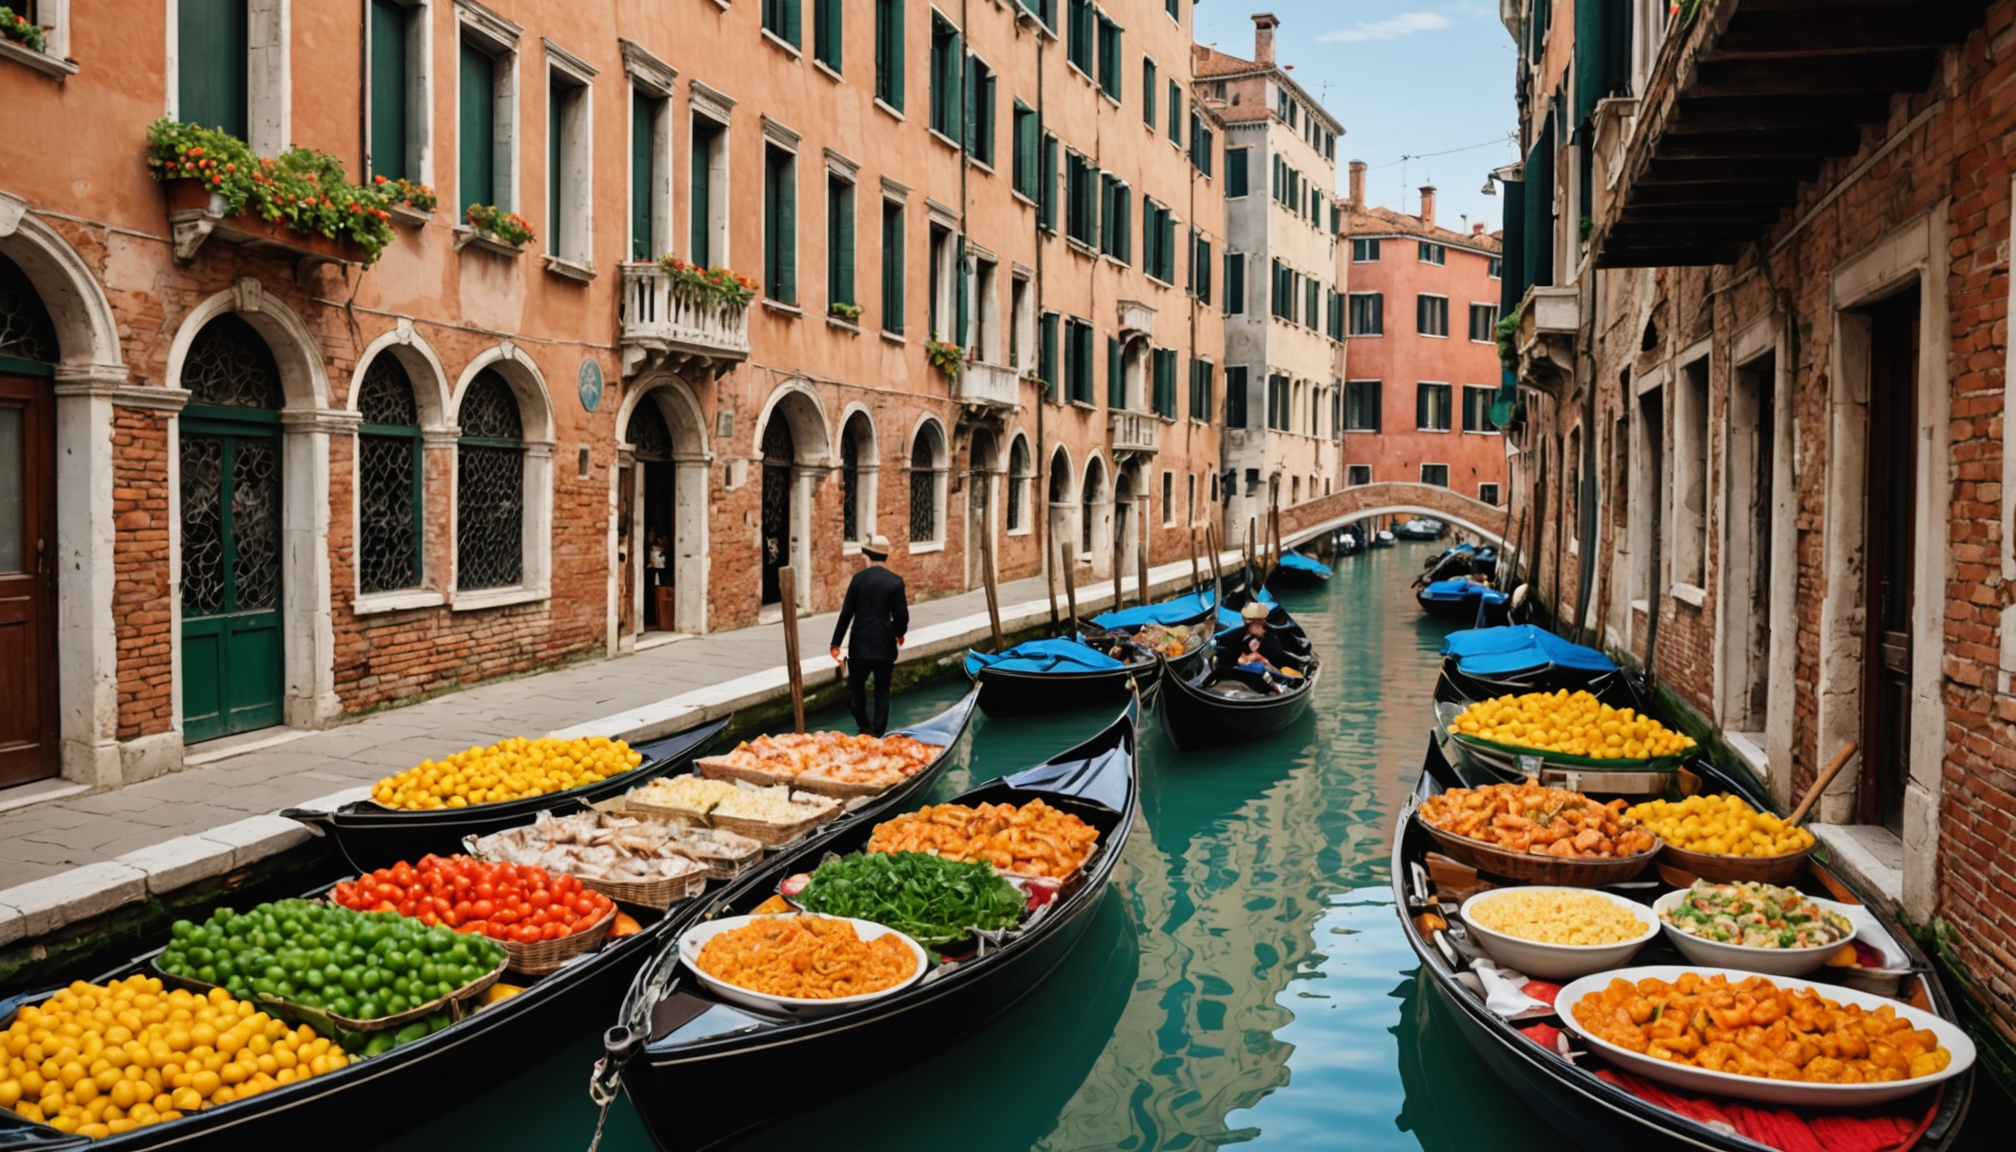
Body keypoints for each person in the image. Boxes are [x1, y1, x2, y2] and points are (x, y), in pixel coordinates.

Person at [830, 534, 909, 736]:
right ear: (885, 557)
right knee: (882, 690)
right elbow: (901, 615)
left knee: (855, 687)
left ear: (868, 556)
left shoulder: (858, 580)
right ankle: (878, 731)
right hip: (884, 646)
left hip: (860, 645)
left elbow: (846, 613)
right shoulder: (895, 582)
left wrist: (835, 643)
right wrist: (899, 634)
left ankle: (864, 726)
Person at [1230, 601, 1297, 691]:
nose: (1247, 626)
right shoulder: (1246, 636)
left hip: (1272, 675)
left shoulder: (1273, 640)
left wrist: (1260, 659)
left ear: (1260, 623)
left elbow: (1278, 661)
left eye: (1250, 623)